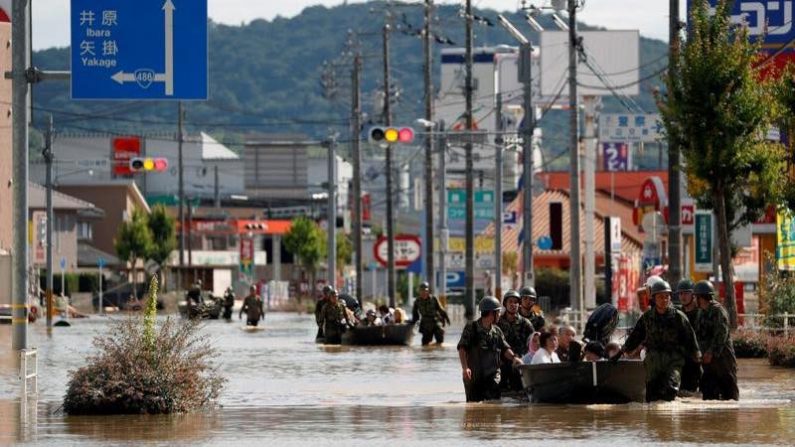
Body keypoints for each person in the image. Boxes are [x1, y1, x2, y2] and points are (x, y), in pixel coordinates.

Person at [612, 279, 701, 402]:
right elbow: (635, 336)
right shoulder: (647, 317)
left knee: (671, 388)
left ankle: (670, 416)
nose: (664, 300)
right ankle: (654, 419)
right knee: (652, 394)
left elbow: (690, 337)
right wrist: (620, 352)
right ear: (654, 298)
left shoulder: (678, 317)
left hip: (673, 359)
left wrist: (697, 357)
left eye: (667, 297)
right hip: (653, 360)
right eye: (660, 297)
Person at [457, 296, 524, 402]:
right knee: (473, 408)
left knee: (493, 407)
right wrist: (465, 368)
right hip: (473, 376)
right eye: (498, 312)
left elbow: (505, 348)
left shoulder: (497, 331)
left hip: (492, 377)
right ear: (491, 313)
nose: (499, 315)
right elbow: (462, 348)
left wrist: (514, 358)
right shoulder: (472, 328)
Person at [694, 280, 739, 401]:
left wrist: (711, 352)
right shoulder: (701, 313)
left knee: (729, 394)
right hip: (708, 363)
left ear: (702, 297)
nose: (695, 300)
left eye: (696, 297)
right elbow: (698, 334)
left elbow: (721, 334)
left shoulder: (718, 311)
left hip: (723, 360)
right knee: (708, 393)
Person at [497, 290, 535, 391]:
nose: (513, 304)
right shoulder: (498, 322)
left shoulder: (525, 323)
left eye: (516, 302)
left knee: (520, 392)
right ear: (505, 303)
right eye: (510, 301)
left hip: (520, 363)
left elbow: (534, 342)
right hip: (501, 364)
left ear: (519, 305)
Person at [676, 278, 702, 394]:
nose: (683, 297)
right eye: (680, 293)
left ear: (693, 295)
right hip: (680, 360)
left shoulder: (701, 314)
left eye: (686, 293)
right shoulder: (677, 314)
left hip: (696, 360)